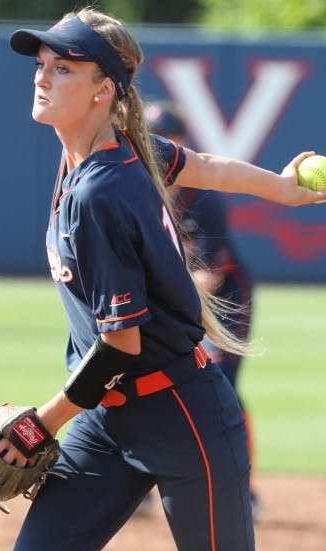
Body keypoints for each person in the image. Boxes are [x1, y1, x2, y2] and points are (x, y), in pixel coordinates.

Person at [1, 9, 326, 551]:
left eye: (63, 68)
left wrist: (40, 426)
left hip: (183, 420)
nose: (42, 76)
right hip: (106, 421)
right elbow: (206, 164)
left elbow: (120, 344)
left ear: (102, 90)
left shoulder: (100, 193)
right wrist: (280, 188)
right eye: (42, 64)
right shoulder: (119, 151)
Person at [142, 100, 261, 517]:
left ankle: (243, 491)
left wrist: (154, 293)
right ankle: (139, 484)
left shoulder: (202, 197)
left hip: (225, 302)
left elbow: (210, 275)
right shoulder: (137, 190)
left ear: (180, 143)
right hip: (173, 303)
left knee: (221, 388)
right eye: (152, 137)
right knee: (147, 385)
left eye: (167, 138)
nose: (159, 146)